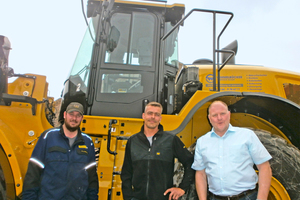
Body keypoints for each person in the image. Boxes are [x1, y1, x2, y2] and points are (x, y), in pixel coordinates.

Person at [192, 100, 272, 200]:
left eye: (222, 113)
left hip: (246, 197)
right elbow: (200, 174)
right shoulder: (202, 142)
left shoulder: (247, 135)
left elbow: (264, 167)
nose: (219, 118)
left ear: (229, 114)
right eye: (215, 115)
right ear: (209, 118)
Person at [22, 102, 98, 200]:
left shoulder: (87, 142)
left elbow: (92, 179)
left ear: (82, 118)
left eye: (78, 115)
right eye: (71, 114)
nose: (74, 118)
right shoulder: (48, 137)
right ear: (65, 115)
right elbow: (33, 173)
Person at [121, 102, 194, 200]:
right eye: (150, 113)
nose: (153, 117)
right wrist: (128, 196)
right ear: (143, 116)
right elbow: (126, 172)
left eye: (157, 114)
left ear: (160, 118)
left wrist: (182, 188)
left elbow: (190, 162)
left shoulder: (171, 140)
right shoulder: (133, 141)